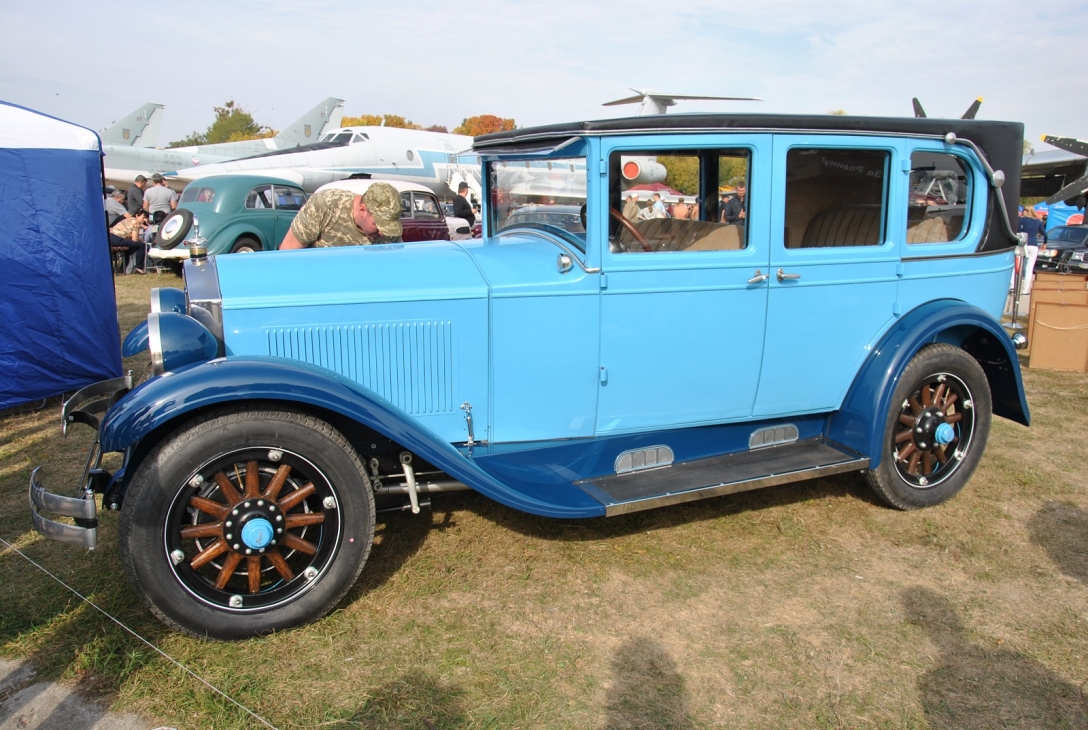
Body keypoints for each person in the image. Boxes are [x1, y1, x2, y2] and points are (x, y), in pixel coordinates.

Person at [279, 182, 403, 249]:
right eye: (378, 225)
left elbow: (398, 263)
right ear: (362, 210)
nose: (383, 233)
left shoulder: (389, 228)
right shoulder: (324, 205)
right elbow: (288, 251)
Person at [1018, 206, 1047, 295]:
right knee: (1029, 269)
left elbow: (1018, 231)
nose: (1022, 212)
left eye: (1023, 211)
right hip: (1034, 245)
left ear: (1026, 211)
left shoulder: (1022, 220)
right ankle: (1025, 290)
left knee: (1018, 266)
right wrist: (1044, 243)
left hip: (1024, 245)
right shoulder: (1038, 221)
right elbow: (1045, 235)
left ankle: (1013, 287)